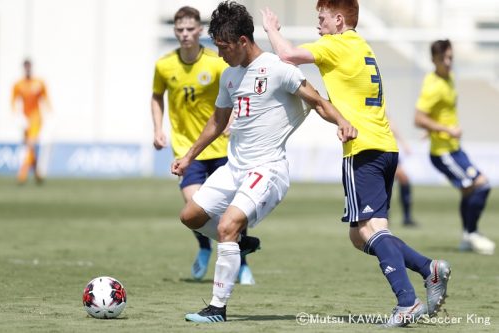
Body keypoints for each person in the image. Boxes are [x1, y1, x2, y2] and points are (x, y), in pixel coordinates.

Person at [262, 0, 450, 327]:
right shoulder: (362, 46)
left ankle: (406, 301)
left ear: (338, 20)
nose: (318, 25)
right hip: (384, 147)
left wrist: (272, 30)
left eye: (321, 18)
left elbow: (288, 56)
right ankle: (428, 268)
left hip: (362, 149)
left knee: (370, 229)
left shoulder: (335, 45)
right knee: (360, 235)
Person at [172, 1, 357, 323]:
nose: (220, 55)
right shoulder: (229, 75)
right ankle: (242, 242)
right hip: (234, 168)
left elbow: (317, 101)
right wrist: (189, 156)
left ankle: (217, 307)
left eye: (224, 48)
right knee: (190, 216)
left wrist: (342, 121)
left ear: (243, 41)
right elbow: (217, 121)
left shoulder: (278, 69)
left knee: (227, 226)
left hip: (267, 169)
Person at [151, 6, 255, 284]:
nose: (185, 34)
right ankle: (204, 248)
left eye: (189, 29)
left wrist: (233, 119)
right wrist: (157, 129)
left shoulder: (216, 62)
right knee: (195, 207)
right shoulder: (164, 65)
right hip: (188, 150)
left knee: (230, 212)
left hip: (221, 149)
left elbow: (237, 91)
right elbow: (156, 97)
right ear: (175, 31)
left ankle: (242, 264)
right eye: (180, 30)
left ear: (199, 30)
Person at [415, 39, 495, 255]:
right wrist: (445, 129)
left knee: (469, 189)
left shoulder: (449, 77)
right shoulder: (432, 86)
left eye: (450, 58)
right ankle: (472, 234)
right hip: (443, 152)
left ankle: (468, 237)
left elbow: (435, 114)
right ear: (433, 60)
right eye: (443, 59)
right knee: (481, 185)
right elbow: (418, 118)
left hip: (454, 148)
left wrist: (432, 128)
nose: (448, 62)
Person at [11, 58, 51, 185]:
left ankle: (22, 175)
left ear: (31, 68)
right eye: (25, 67)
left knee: (31, 145)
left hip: (36, 118)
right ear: (23, 68)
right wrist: (17, 117)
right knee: (29, 147)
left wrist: (50, 114)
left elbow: (46, 99)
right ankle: (38, 175)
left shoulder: (39, 83)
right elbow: (13, 101)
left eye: (29, 67)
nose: (27, 69)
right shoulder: (18, 84)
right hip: (25, 119)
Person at [390, 122, 418, 227]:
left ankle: (407, 217)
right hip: (379, 150)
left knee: (404, 179)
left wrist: (403, 143)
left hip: (390, 150)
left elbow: (392, 125)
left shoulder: (382, 109)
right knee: (385, 181)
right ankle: (383, 216)